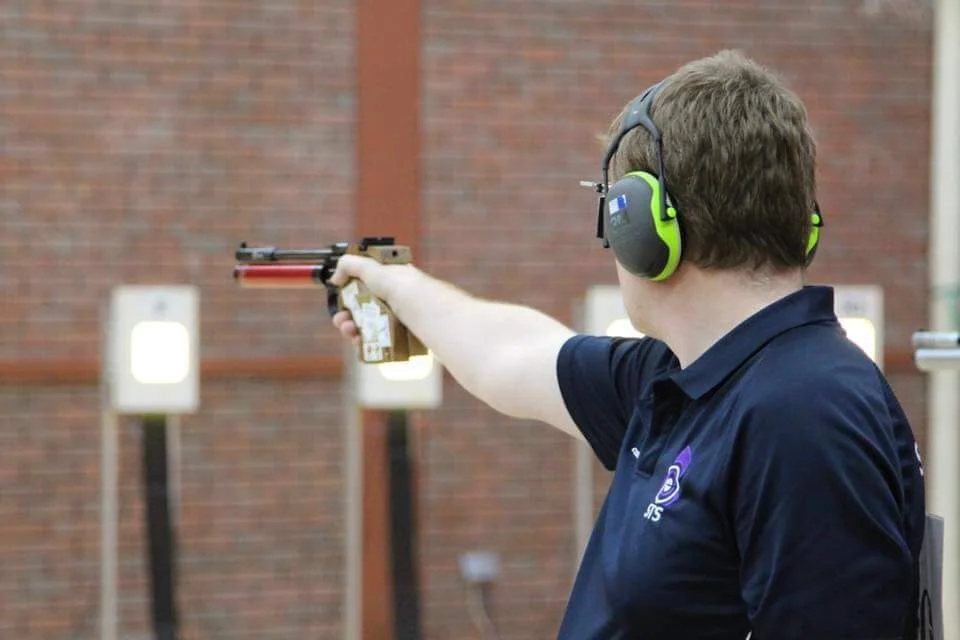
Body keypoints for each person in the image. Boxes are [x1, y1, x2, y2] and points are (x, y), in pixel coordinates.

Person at [330, 50, 925, 639]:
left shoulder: (802, 412)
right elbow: (509, 355)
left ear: (640, 225)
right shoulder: (687, 379)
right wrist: (398, 288)